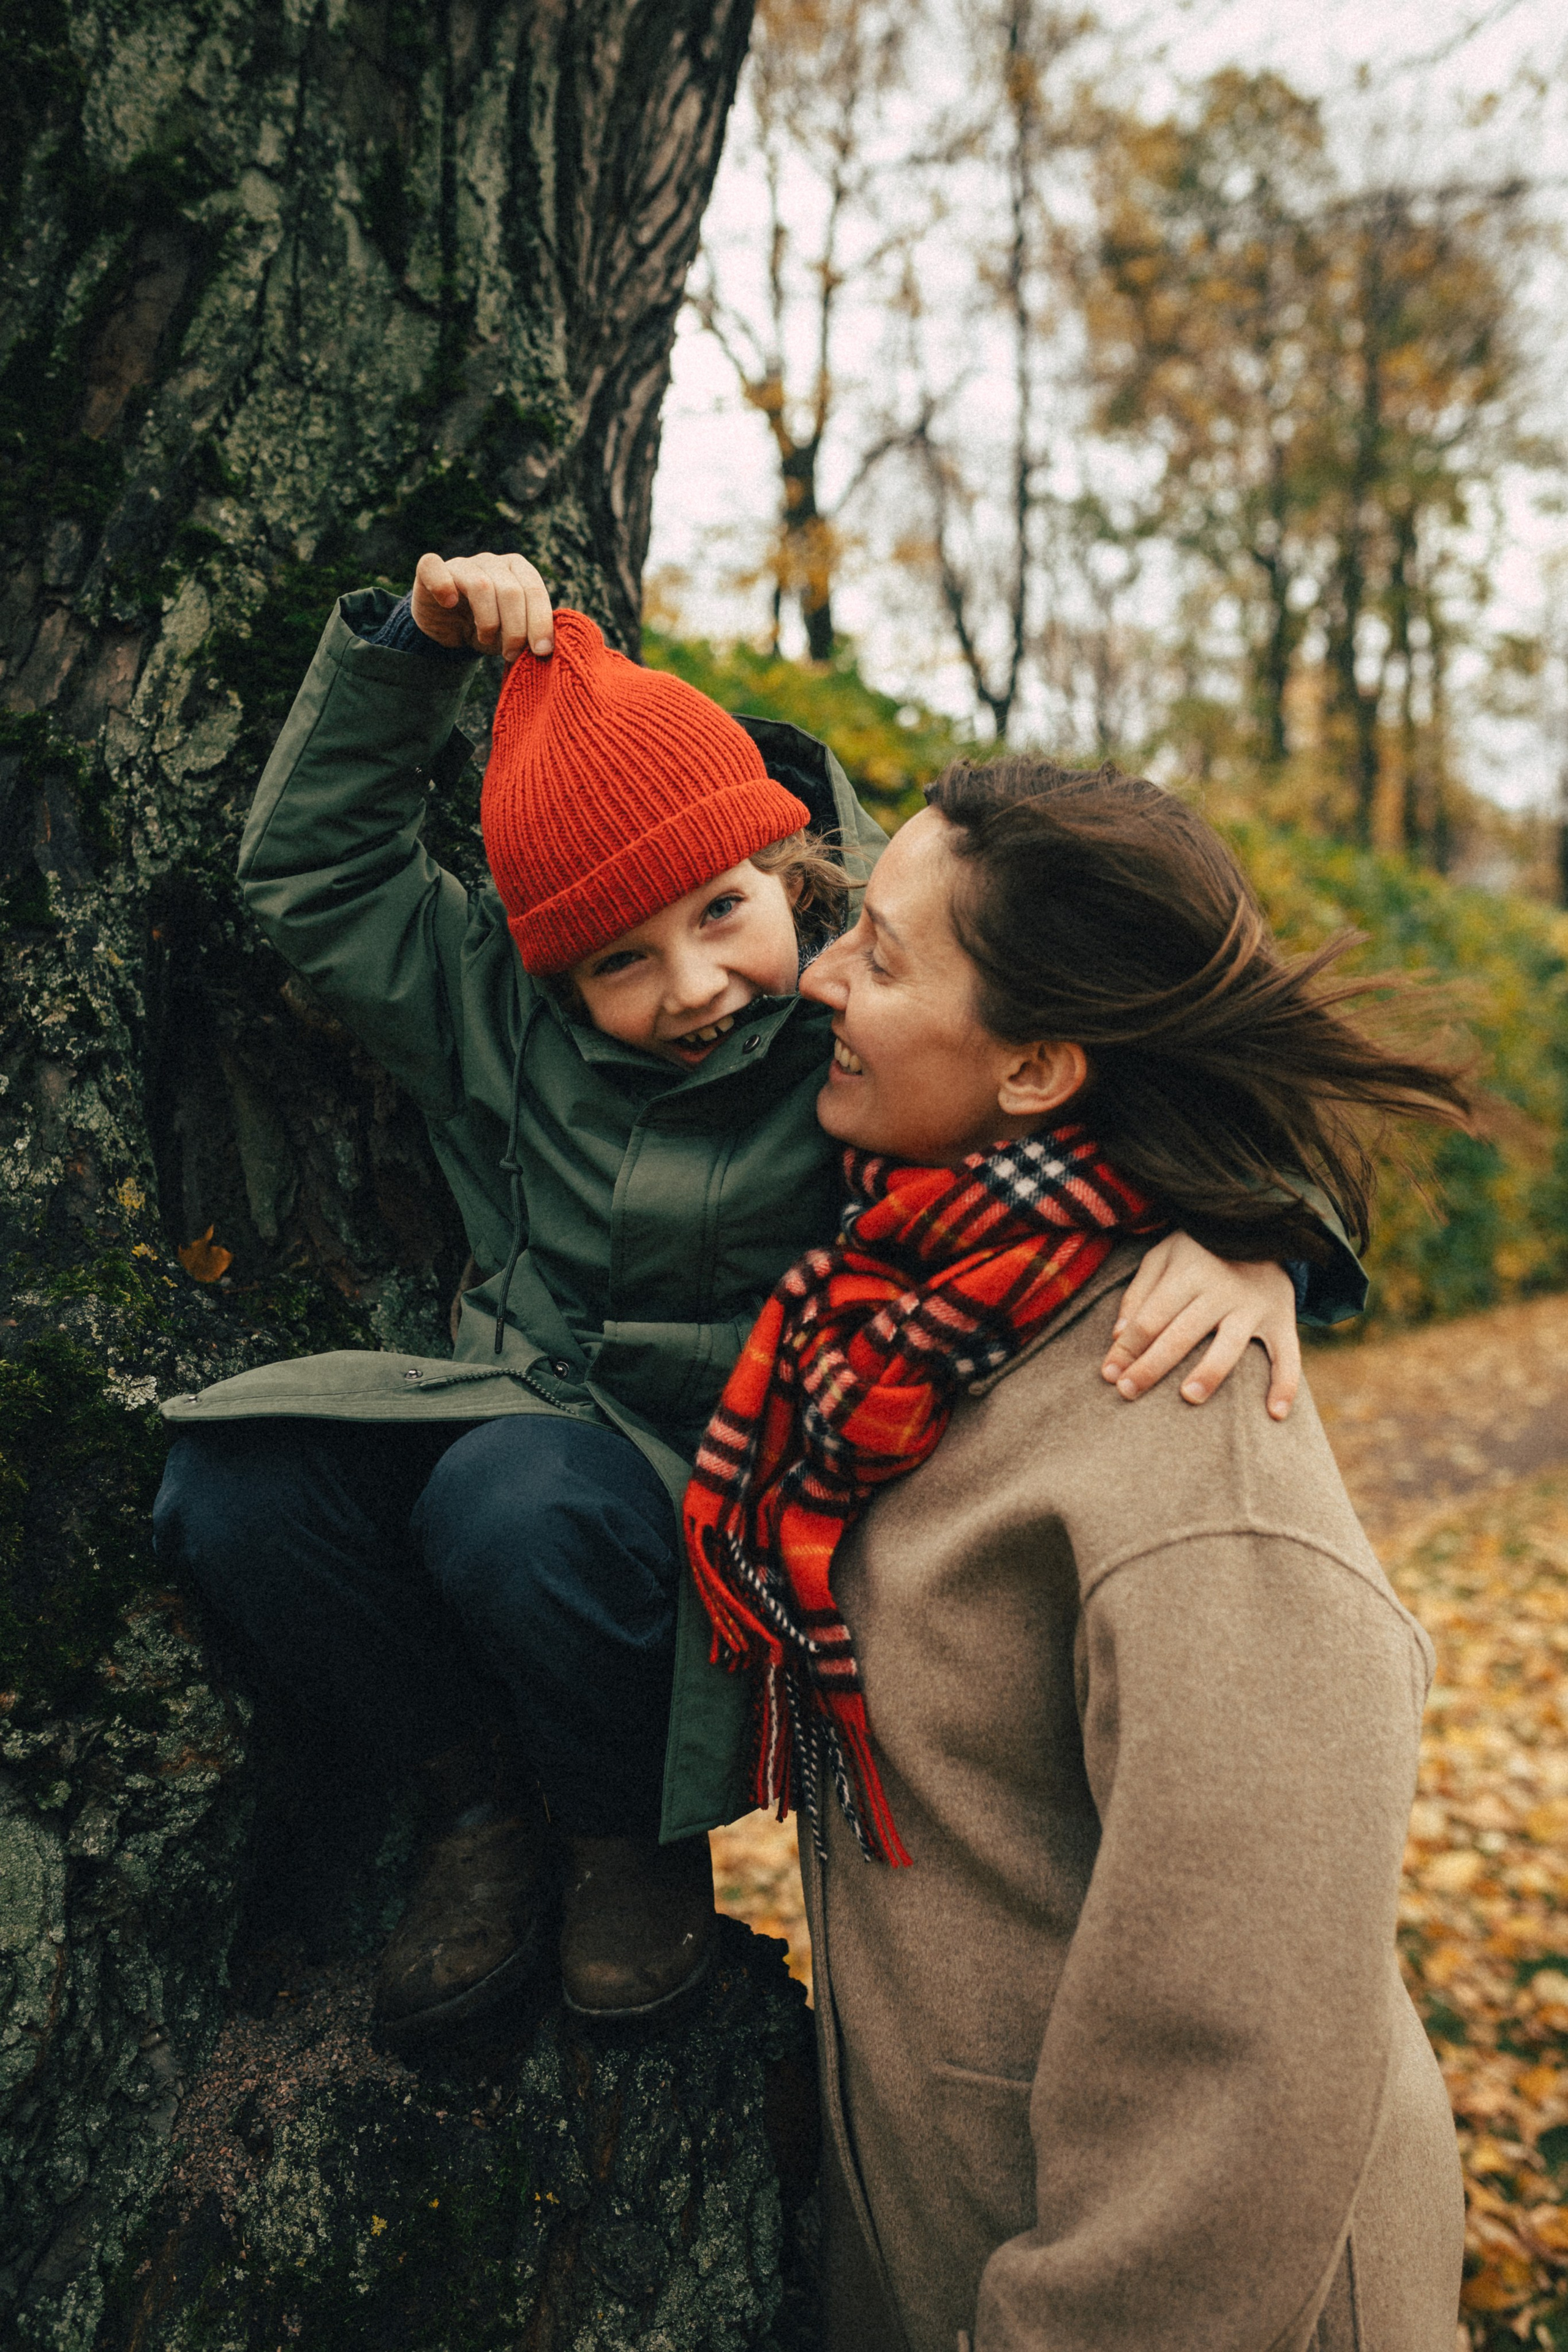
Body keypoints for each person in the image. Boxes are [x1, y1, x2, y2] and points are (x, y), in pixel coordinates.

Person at [153, 554, 1362, 2040]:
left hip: (714, 1494)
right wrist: (410, 652)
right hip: (531, 1403)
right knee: (236, 1482)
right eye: (619, 961)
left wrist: (1264, 1242)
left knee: (508, 1502)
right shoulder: (492, 1017)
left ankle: (626, 1845)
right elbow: (315, 879)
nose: (693, 986)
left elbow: (1124, 1086)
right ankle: (470, 1798)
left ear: (784, 870)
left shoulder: (871, 1028)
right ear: (550, 968)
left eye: (721, 912)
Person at [685, 757, 1468, 2352]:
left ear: (1038, 1066)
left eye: (882, 955)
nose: (815, 971)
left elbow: (1243, 2055)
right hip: (961, 2249)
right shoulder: (912, 1314)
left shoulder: (1187, 1426)